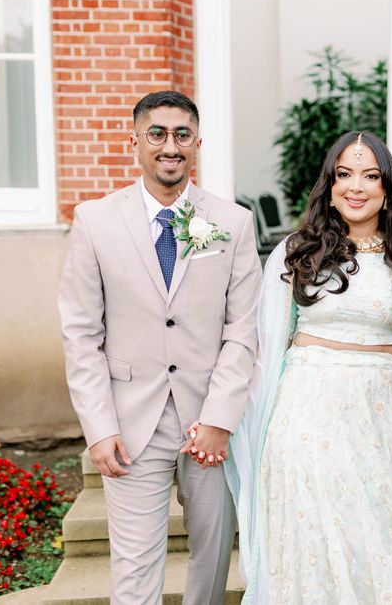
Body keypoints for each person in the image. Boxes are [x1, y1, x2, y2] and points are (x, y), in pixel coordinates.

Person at [225, 131, 392, 604]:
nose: (356, 186)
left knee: (380, 530)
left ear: (387, 187)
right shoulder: (298, 251)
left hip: (380, 417)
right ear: (330, 186)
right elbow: (265, 343)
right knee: (314, 532)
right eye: (345, 174)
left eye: (370, 175)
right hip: (307, 414)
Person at [58, 90, 262, 605]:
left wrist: (220, 418)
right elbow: (81, 334)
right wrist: (99, 427)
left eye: (182, 135)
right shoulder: (94, 221)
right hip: (129, 422)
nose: (170, 146)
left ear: (197, 144)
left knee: (212, 559)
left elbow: (244, 328)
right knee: (133, 570)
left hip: (209, 423)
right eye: (157, 134)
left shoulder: (233, 221)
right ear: (135, 142)